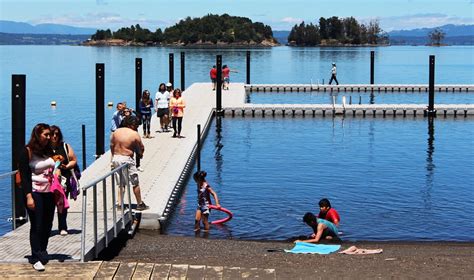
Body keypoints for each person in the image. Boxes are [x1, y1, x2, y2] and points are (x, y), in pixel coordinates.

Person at [19, 123, 56, 271]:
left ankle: (43, 250)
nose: (49, 137)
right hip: (34, 192)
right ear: (37, 135)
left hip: (49, 192)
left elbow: (53, 166)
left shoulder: (48, 150)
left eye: (49, 135)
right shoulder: (27, 151)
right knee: (37, 224)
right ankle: (35, 257)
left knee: (48, 223)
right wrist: (28, 196)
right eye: (46, 135)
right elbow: (24, 176)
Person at [110, 116, 149, 211]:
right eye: (135, 125)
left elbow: (111, 146)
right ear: (130, 124)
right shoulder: (134, 134)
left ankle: (119, 204)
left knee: (121, 183)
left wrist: (111, 160)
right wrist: (140, 154)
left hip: (116, 158)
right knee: (135, 182)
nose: (136, 127)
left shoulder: (116, 132)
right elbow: (141, 148)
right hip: (127, 159)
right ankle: (140, 203)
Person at [50, 125, 78, 236]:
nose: (54, 136)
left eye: (57, 134)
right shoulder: (44, 148)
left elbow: (73, 160)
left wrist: (66, 166)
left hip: (63, 180)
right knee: (49, 205)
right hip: (49, 180)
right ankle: (48, 228)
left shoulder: (65, 146)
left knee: (62, 204)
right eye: (52, 134)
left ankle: (62, 226)